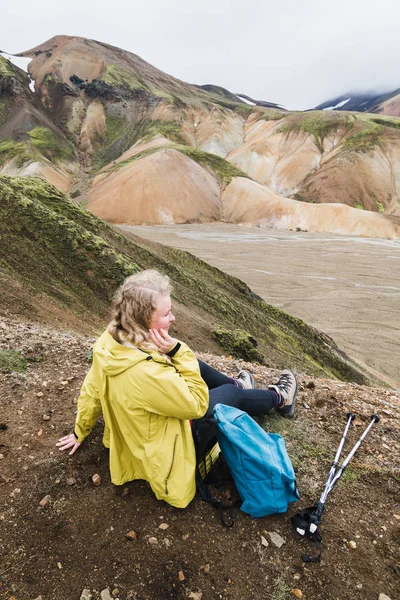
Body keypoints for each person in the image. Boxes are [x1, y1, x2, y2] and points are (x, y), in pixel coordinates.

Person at [57, 270, 297, 508]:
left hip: (143, 430)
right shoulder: (148, 374)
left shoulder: (110, 343)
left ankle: (239, 384)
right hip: (171, 448)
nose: (173, 318)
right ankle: (280, 398)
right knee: (228, 395)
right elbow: (197, 404)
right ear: (143, 320)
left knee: (196, 365)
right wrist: (178, 351)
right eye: (166, 313)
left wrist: (81, 431)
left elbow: (92, 391)